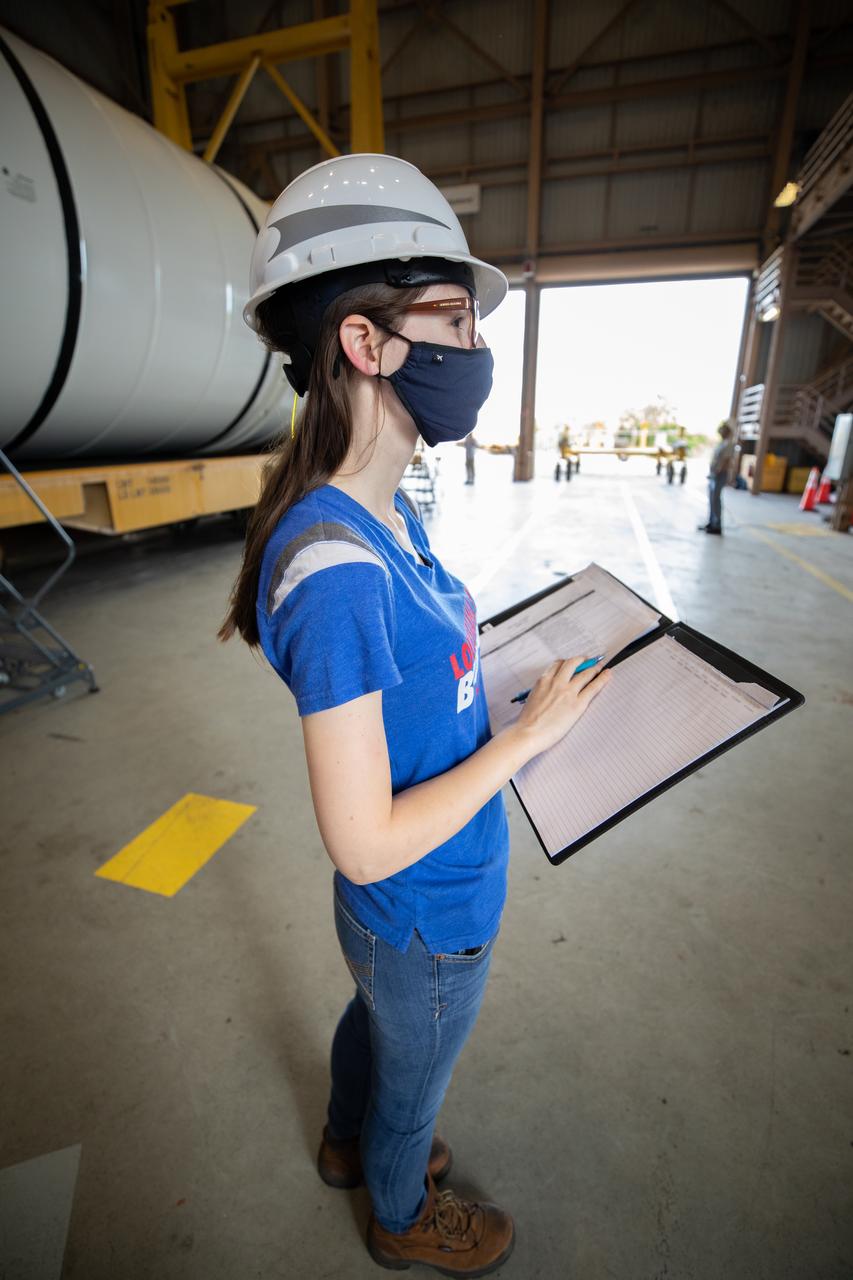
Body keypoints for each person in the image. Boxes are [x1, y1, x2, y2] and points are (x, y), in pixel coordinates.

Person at [218, 153, 611, 1276]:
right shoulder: (338, 565)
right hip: (424, 907)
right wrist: (528, 738)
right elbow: (361, 835)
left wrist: (509, 680)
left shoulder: (384, 511)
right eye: (453, 318)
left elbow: (418, 674)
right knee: (416, 1078)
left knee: (378, 1023)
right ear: (362, 341)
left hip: (396, 921)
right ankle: (396, 1206)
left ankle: (349, 1139)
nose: (474, 348)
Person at [699, 420, 735, 535]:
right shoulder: (722, 442)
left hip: (720, 474)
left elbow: (726, 460)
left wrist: (717, 471)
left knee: (716, 499)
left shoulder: (729, 443)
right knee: (711, 499)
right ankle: (711, 522)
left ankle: (717, 525)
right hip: (714, 474)